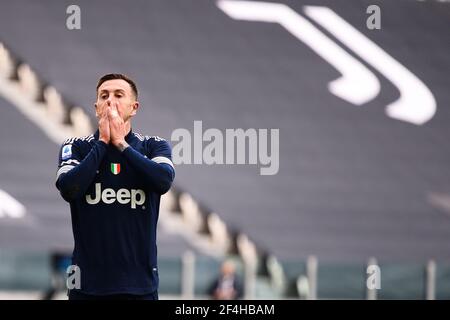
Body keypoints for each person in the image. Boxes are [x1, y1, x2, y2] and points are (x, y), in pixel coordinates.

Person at [55, 73, 175, 300]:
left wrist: (121, 144)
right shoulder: (76, 147)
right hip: (85, 285)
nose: (110, 101)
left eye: (119, 95)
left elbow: (163, 181)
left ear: (134, 107)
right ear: (97, 107)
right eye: (104, 96)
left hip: (139, 285)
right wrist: (102, 143)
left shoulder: (153, 146)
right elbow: (69, 189)